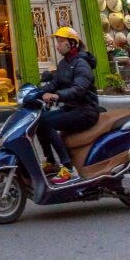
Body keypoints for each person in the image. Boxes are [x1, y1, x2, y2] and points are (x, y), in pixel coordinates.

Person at [37, 27, 99, 185]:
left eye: (61, 42)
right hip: (72, 108)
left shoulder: (81, 64)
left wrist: (58, 95)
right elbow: (54, 83)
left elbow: (79, 88)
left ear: (72, 44)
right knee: (39, 121)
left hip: (86, 110)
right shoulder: (64, 63)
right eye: (57, 42)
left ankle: (69, 168)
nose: (58, 46)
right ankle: (51, 162)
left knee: (48, 124)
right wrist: (36, 92)